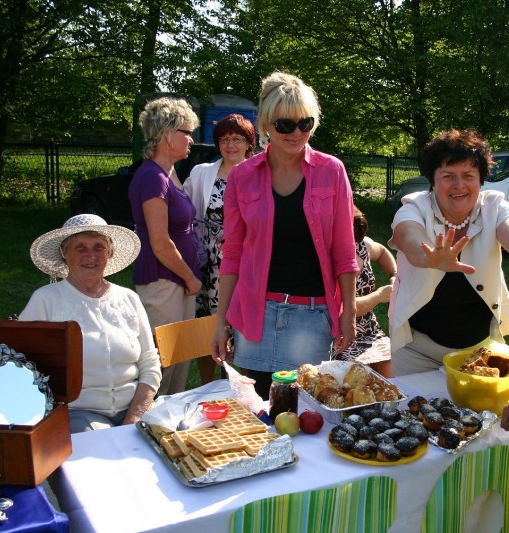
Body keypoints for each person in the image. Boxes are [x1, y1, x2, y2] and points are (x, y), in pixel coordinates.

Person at [212, 71, 359, 399]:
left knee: (306, 408)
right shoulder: (242, 177)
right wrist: (221, 320)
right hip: (255, 313)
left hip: (313, 312)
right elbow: (232, 252)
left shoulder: (331, 171)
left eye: (304, 123)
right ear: (265, 124)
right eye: (285, 125)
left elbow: (344, 250)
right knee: (260, 410)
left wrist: (347, 312)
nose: (297, 133)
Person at [389, 129, 509, 375]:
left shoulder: (494, 206)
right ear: (432, 179)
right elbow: (408, 235)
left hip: (481, 352)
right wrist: (428, 256)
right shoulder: (414, 207)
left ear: (481, 179)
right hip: (416, 354)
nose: (459, 185)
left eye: (468, 175)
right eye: (448, 176)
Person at [19, 214, 161, 433]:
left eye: (99, 247)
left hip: (135, 407)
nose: (90, 256)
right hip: (80, 413)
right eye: (80, 248)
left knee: (173, 450)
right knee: (100, 454)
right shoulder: (45, 300)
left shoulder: (128, 298)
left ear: (109, 253)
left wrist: (135, 415)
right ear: (64, 254)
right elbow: (20, 364)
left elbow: (150, 363)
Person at [129, 96, 202, 397]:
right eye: (186, 132)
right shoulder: (151, 178)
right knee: (161, 362)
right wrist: (189, 278)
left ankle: (170, 423)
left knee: (180, 357)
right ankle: (147, 423)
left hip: (179, 281)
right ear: (166, 134)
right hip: (163, 279)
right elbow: (160, 243)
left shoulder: (169, 173)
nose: (191, 139)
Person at [184, 113, 256, 383]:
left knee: (242, 325)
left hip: (242, 264)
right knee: (207, 325)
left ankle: (244, 384)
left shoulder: (259, 174)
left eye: (237, 139)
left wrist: (241, 235)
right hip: (207, 264)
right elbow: (185, 210)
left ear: (249, 143)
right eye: (224, 139)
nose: (231, 145)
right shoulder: (202, 173)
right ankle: (208, 384)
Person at [333, 205, 397, 377]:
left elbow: (382, 252)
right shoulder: (326, 255)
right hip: (341, 336)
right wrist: (380, 296)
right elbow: (344, 308)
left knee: (395, 373)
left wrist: (394, 274)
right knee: (357, 379)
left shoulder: (362, 245)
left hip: (370, 330)